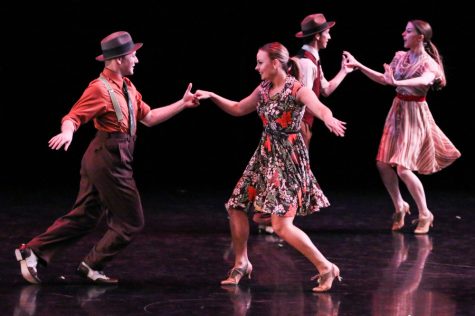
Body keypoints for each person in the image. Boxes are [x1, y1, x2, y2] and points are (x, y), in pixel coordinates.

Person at [14, 31, 199, 284]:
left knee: (86, 216)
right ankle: (92, 264)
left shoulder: (128, 87)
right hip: (108, 158)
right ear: (120, 58)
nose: (136, 60)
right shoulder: (99, 89)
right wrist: (67, 133)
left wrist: (182, 103)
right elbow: (73, 117)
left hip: (111, 157)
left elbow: (150, 118)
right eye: (133, 55)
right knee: (132, 220)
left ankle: (33, 251)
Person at [195, 42, 346, 292]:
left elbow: (318, 106)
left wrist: (328, 118)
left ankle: (326, 267)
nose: (256, 67)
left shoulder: (295, 88)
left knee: (281, 226)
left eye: (260, 62)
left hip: (288, 159)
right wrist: (212, 96)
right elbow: (238, 107)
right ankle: (241, 263)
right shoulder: (264, 89)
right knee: (235, 206)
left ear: (276, 63)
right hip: (265, 154)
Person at [343, 20, 461, 234]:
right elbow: (385, 79)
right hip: (397, 111)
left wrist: (395, 82)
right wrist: (359, 65)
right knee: (382, 163)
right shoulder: (401, 57)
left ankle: (425, 213)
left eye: (408, 31)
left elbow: (423, 81)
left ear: (420, 37)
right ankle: (400, 205)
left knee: (403, 168)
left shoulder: (429, 64)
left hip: (415, 115)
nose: (403, 34)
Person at [294, 13, 354, 149]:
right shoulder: (306, 63)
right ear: (317, 36)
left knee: (300, 169)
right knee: (297, 169)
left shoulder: (313, 60)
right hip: (297, 127)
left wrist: (344, 71)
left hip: (304, 126)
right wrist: (327, 117)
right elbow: (305, 102)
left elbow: (325, 90)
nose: (330, 37)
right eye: (327, 33)